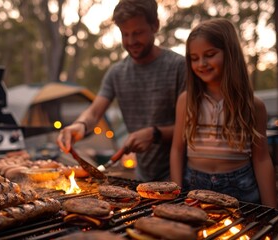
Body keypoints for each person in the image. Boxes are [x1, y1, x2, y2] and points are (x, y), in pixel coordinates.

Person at [56, 0, 186, 182]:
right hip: (143, 178)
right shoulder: (117, 73)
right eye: (125, 34)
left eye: (137, 33)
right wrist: (80, 125)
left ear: (155, 25)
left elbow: (193, 128)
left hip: (182, 175)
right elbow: (94, 112)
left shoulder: (179, 67)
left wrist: (155, 134)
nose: (131, 41)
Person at [170, 18, 277, 207]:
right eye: (194, 58)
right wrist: (176, 193)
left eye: (209, 54)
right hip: (194, 184)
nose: (201, 63)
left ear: (230, 53)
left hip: (241, 186)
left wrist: (271, 208)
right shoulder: (186, 100)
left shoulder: (253, 104)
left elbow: (261, 158)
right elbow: (177, 149)